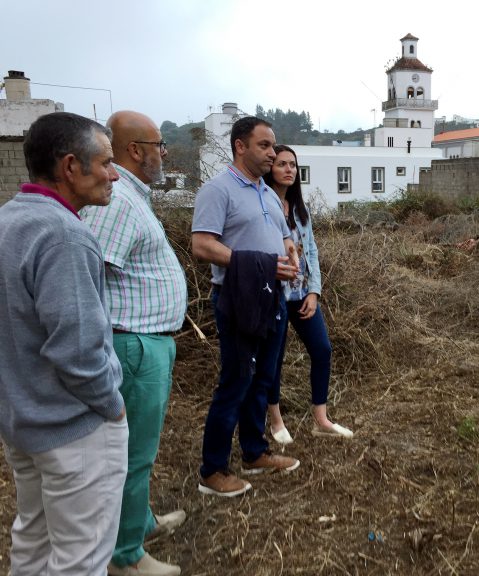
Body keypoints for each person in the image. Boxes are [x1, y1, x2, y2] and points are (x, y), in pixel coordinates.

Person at [0, 112, 128, 575]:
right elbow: (77, 351)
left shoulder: (9, 220)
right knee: (82, 559)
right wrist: (111, 406)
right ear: (71, 167)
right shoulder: (63, 236)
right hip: (75, 431)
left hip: (24, 424)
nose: (115, 175)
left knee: (32, 544)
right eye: (107, 163)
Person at [82, 111, 187, 576]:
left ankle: (138, 523)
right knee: (132, 454)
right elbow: (89, 278)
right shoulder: (119, 201)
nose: (164, 152)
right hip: (135, 346)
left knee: (139, 448)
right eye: (159, 144)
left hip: (148, 343)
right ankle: (125, 557)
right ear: (135, 150)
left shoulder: (129, 196)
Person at [192, 117, 301, 497]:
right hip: (238, 297)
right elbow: (203, 245)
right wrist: (259, 263)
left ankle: (255, 452)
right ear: (241, 146)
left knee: (263, 379)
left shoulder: (266, 192)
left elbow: (284, 236)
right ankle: (213, 470)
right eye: (265, 146)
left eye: (273, 146)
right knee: (236, 381)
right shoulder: (218, 190)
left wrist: (289, 251)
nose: (273, 153)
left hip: (273, 297)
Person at [263, 145, 353, 443]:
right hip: (273, 295)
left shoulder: (301, 209)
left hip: (301, 293)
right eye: (281, 164)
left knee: (322, 350)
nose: (289, 169)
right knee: (274, 359)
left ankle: (321, 418)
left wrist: (314, 291)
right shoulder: (261, 204)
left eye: (293, 165)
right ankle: (275, 421)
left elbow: (311, 251)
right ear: (269, 168)